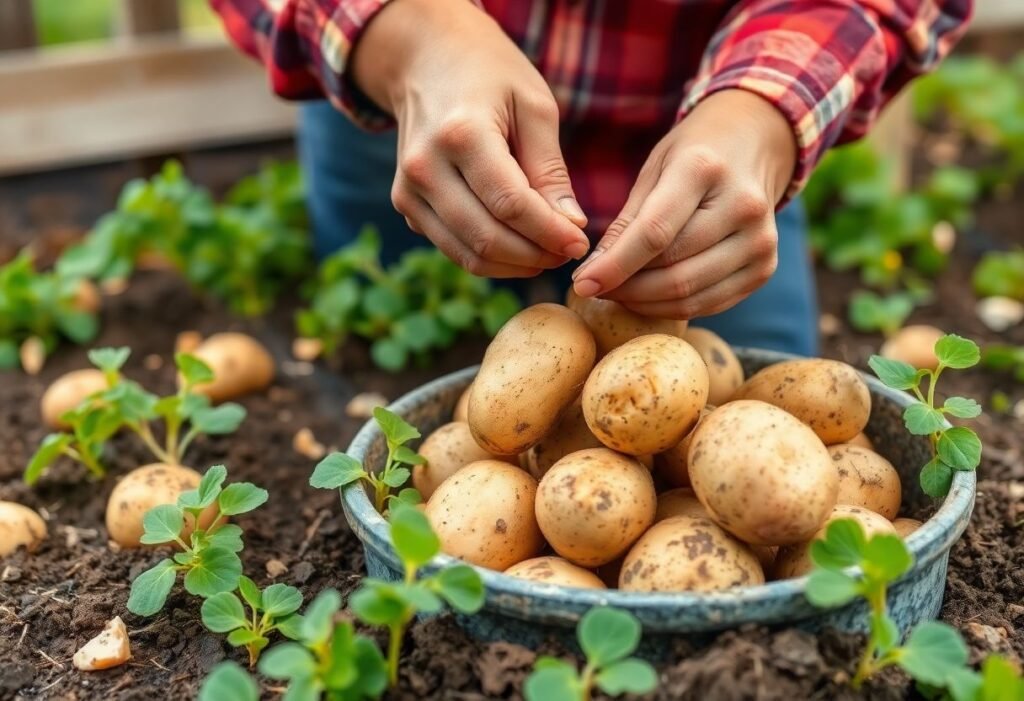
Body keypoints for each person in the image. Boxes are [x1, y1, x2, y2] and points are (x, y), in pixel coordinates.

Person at [211, 0, 970, 356]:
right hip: (406, 114)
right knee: (393, 411)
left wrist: (766, 114)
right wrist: (407, 37)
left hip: (713, 136)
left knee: (743, 420)